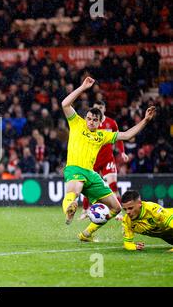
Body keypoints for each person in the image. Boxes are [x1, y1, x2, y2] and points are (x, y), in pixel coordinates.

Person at [61, 77, 156, 242]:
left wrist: (145, 120)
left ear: (100, 122)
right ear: (86, 118)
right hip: (75, 168)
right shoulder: (77, 123)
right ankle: (69, 210)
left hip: (91, 175)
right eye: (89, 118)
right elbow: (65, 104)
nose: (90, 122)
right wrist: (83, 87)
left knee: (116, 207)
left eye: (94, 120)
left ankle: (86, 234)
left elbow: (126, 135)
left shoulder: (102, 135)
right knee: (73, 193)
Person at [79, 100, 129, 221]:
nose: (99, 110)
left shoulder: (111, 123)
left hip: (107, 159)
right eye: (96, 108)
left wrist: (122, 152)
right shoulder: (90, 124)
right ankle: (85, 210)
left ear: (104, 109)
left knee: (113, 185)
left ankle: (119, 212)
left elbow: (119, 138)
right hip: (93, 160)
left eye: (101, 107)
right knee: (88, 186)